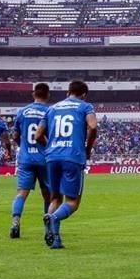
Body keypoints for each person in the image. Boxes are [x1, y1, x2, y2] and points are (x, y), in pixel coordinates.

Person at [34, 80, 97, 249]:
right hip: (73, 156)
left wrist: (50, 147)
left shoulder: (51, 108)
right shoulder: (85, 106)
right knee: (72, 202)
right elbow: (93, 126)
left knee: (55, 198)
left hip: (52, 157)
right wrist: (87, 148)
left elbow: (38, 135)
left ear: (67, 92)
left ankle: (55, 238)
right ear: (83, 95)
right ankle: (53, 218)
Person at [9, 82, 53, 239]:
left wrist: (24, 146)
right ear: (48, 95)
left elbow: (14, 136)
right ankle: (49, 227)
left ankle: (15, 222)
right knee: (48, 195)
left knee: (21, 193)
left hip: (26, 158)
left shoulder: (22, 111)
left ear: (33, 94)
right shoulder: (50, 111)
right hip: (45, 159)